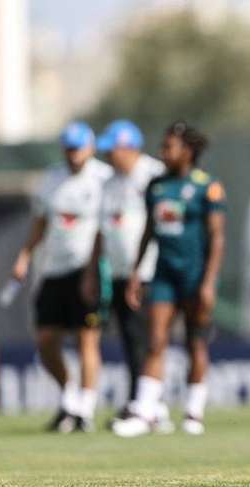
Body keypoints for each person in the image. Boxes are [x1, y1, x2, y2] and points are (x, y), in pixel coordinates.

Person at [112, 121, 226, 438]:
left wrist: (207, 282)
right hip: (163, 273)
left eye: (169, 147)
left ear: (187, 151)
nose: (163, 153)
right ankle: (146, 411)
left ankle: (193, 411)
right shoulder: (156, 186)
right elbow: (148, 231)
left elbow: (217, 238)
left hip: (195, 274)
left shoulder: (207, 186)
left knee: (195, 342)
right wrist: (136, 272)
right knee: (155, 340)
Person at [9, 121, 113, 432]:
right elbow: (41, 222)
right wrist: (25, 255)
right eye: (68, 149)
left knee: (86, 339)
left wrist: (94, 271)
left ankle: (86, 408)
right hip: (54, 269)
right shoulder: (51, 180)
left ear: (91, 147)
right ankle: (69, 397)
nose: (73, 155)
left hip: (87, 268)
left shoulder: (103, 180)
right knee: (45, 339)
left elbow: (104, 230)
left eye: (78, 148)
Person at [82, 120, 165, 417]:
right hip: (116, 273)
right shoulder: (108, 183)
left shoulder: (153, 176)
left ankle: (149, 405)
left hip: (147, 273)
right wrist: (93, 270)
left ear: (129, 148)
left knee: (147, 338)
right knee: (130, 339)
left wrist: (140, 269)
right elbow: (101, 231)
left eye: (112, 150)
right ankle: (138, 401)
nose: (108, 157)